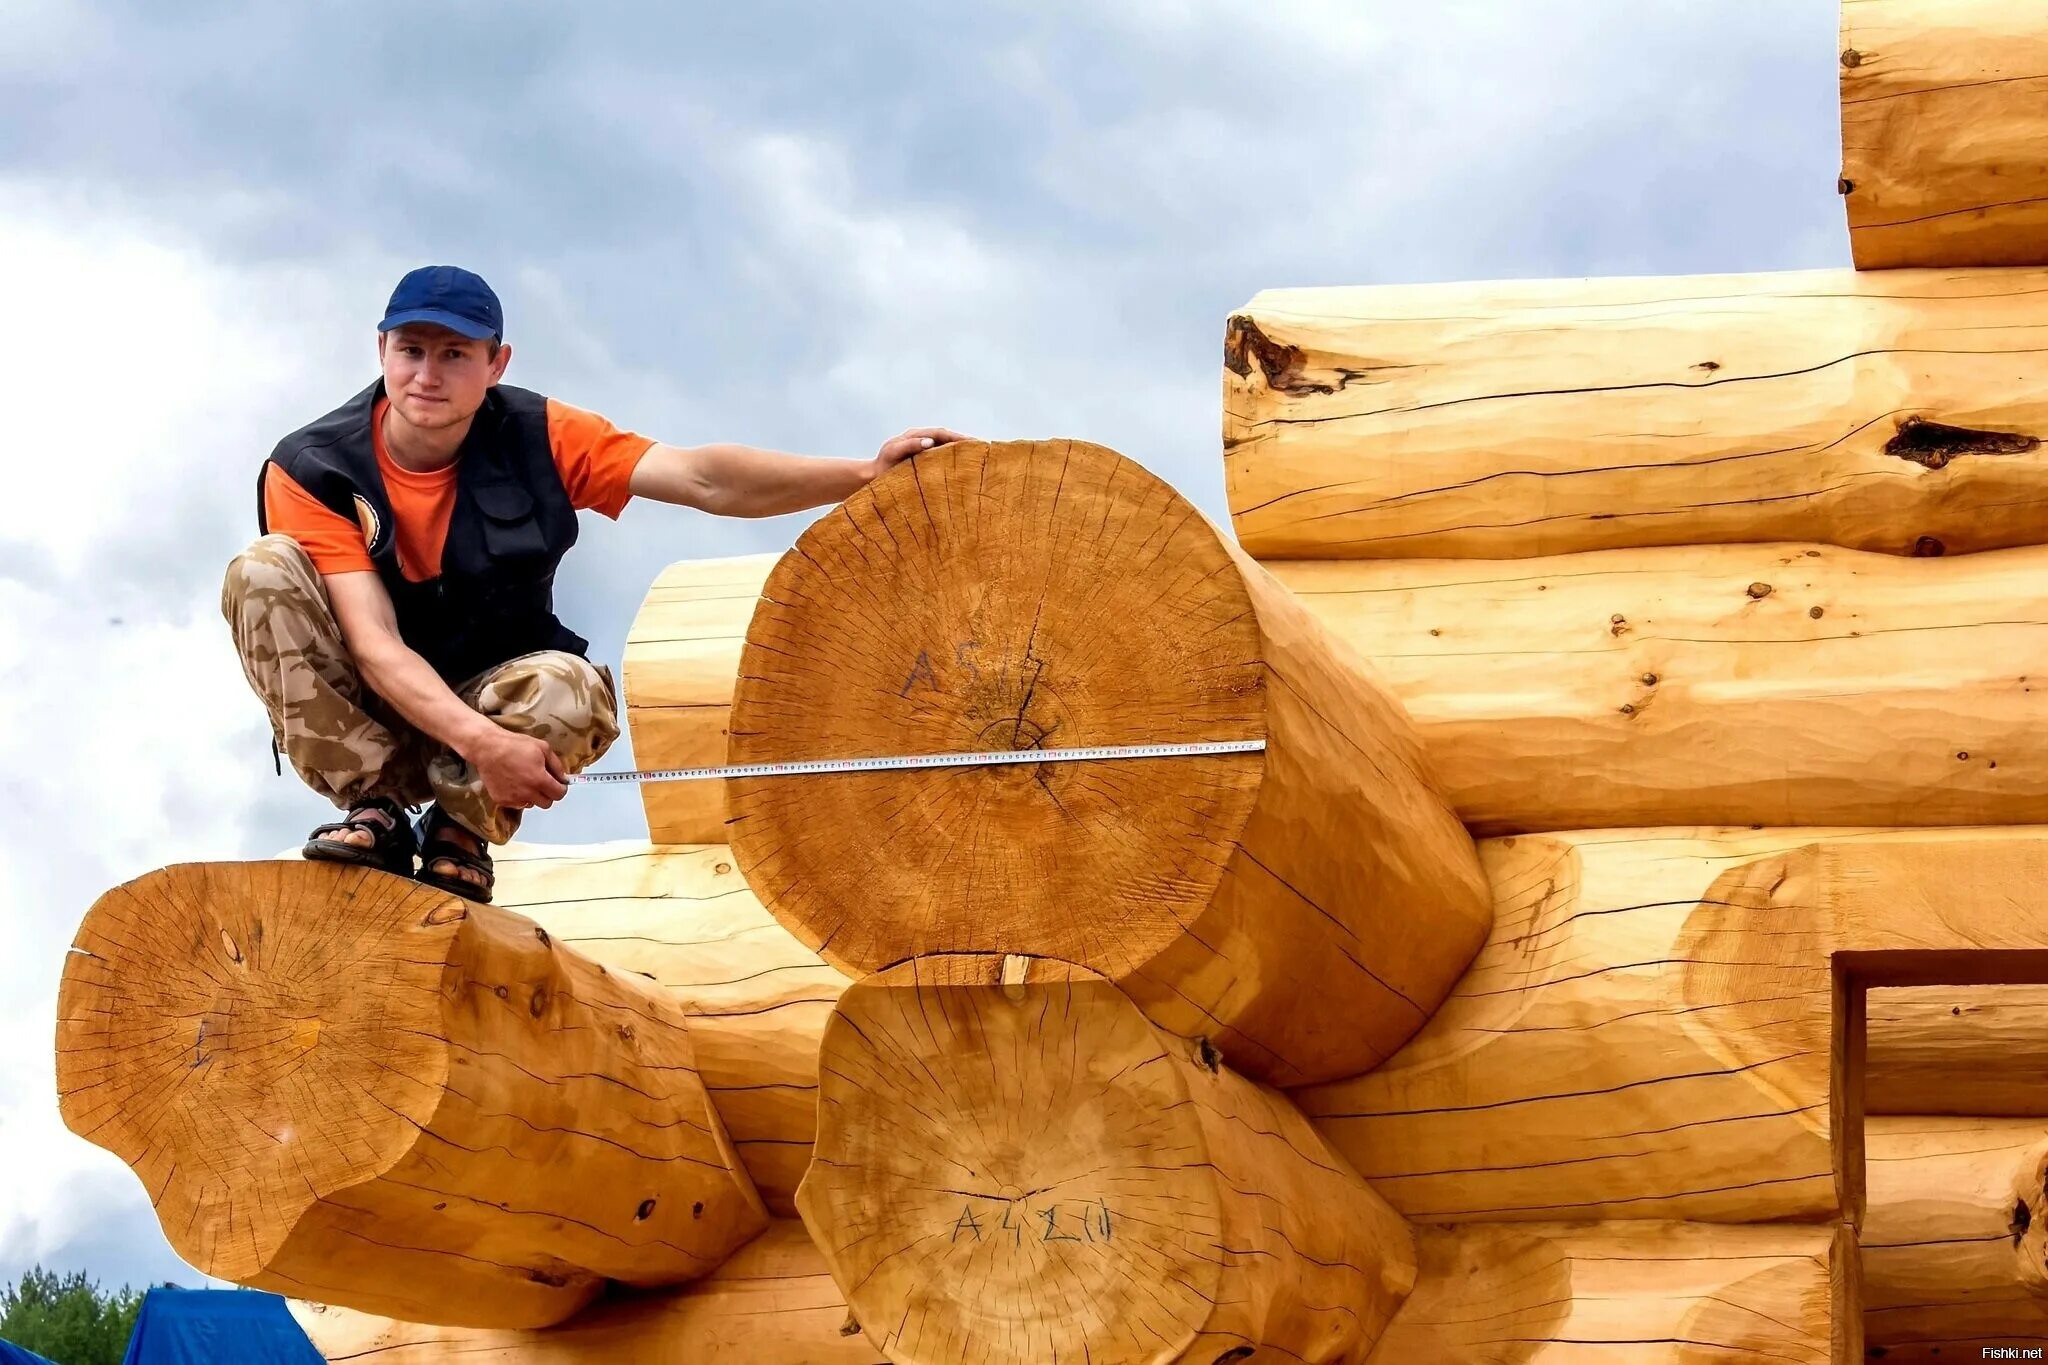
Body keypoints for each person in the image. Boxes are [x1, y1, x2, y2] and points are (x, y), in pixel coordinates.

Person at [223, 264, 968, 903]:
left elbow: (700, 477)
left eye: (454, 353)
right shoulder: (314, 467)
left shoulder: (539, 433)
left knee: (572, 688)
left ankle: (462, 831)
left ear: (497, 362)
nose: (427, 374)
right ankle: (375, 810)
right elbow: (374, 644)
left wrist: (862, 476)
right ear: (381, 348)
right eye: (410, 349)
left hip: (494, 696)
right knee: (261, 570)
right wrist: (485, 745)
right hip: (375, 711)